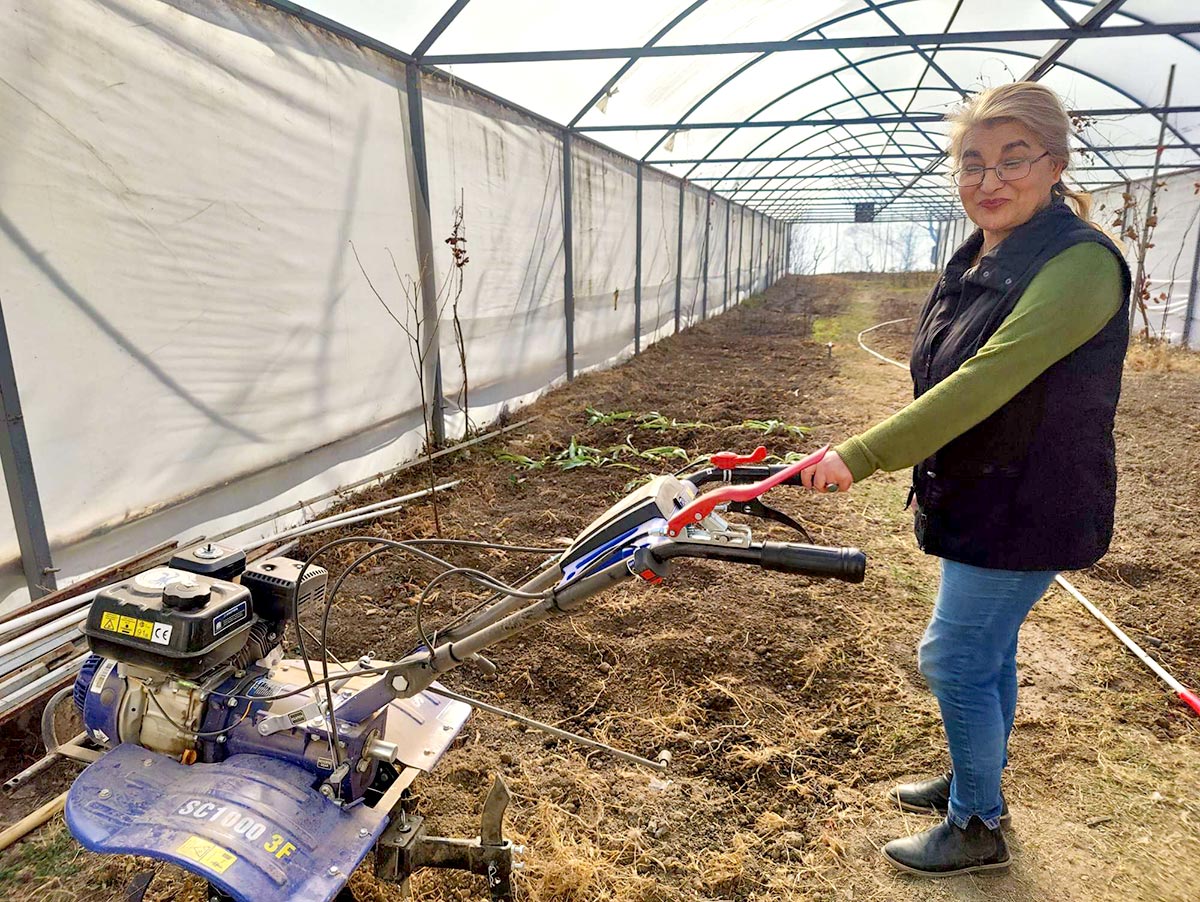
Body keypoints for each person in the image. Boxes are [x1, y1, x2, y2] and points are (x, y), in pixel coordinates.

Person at [798, 81, 1131, 877]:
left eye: (1013, 160)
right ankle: (975, 777)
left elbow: (989, 377)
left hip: (1033, 497)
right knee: (987, 652)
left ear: (1054, 165)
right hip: (985, 487)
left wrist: (861, 453)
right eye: (972, 163)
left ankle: (977, 822)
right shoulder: (987, 251)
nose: (990, 179)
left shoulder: (1080, 264)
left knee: (952, 657)